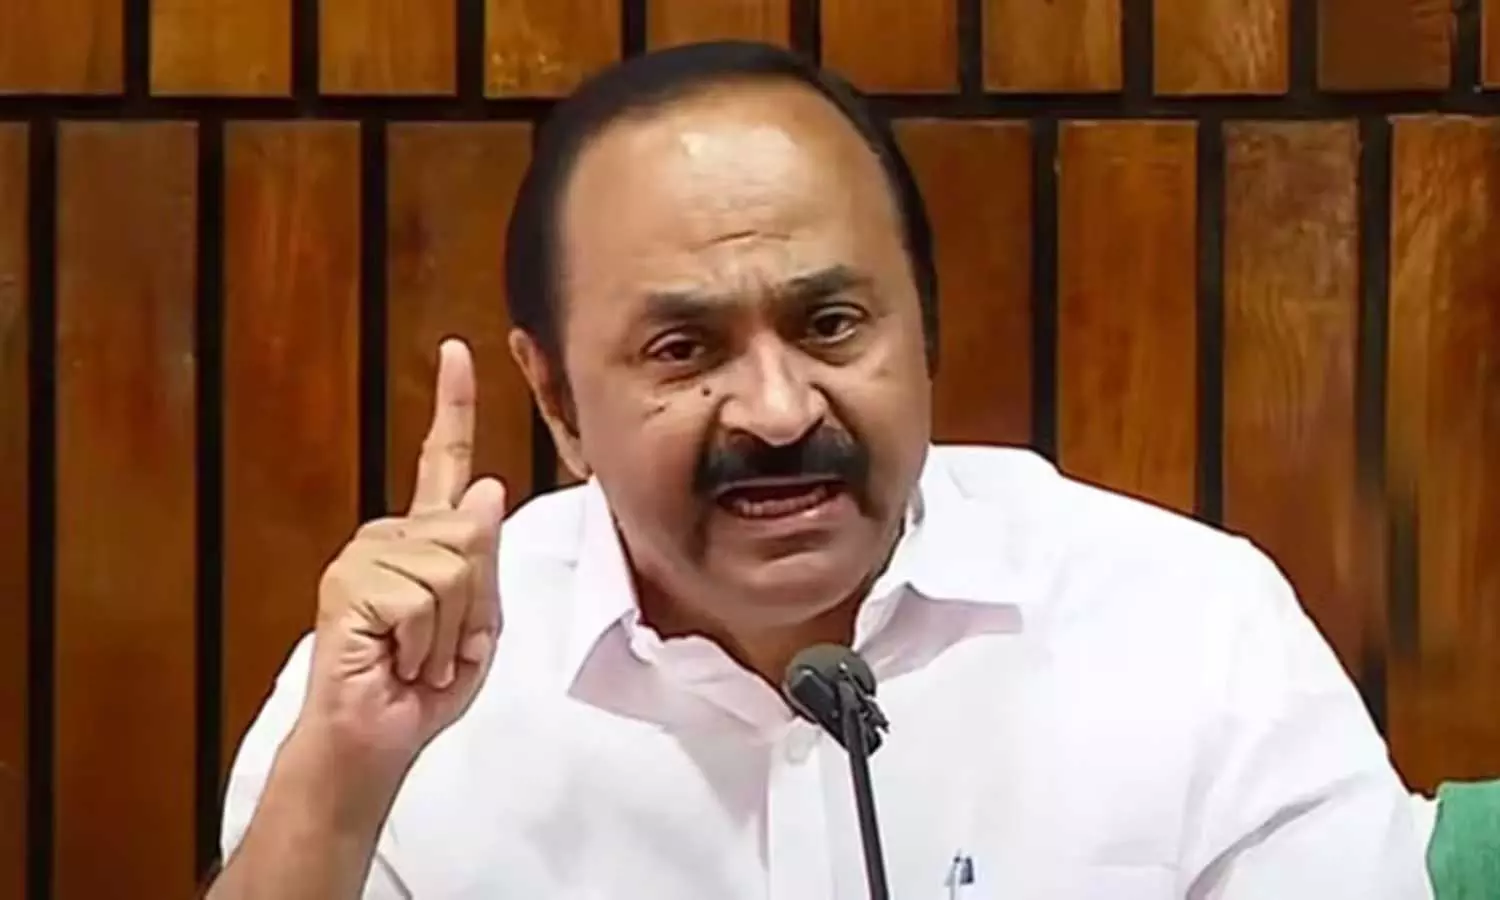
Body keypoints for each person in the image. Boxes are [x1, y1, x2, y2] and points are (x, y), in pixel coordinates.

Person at [207, 41, 1435, 899]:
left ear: (926, 330)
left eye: (832, 325)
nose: (781, 410)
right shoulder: (410, 684)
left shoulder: (1186, 623)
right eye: (684, 350)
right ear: (557, 400)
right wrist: (343, 782)